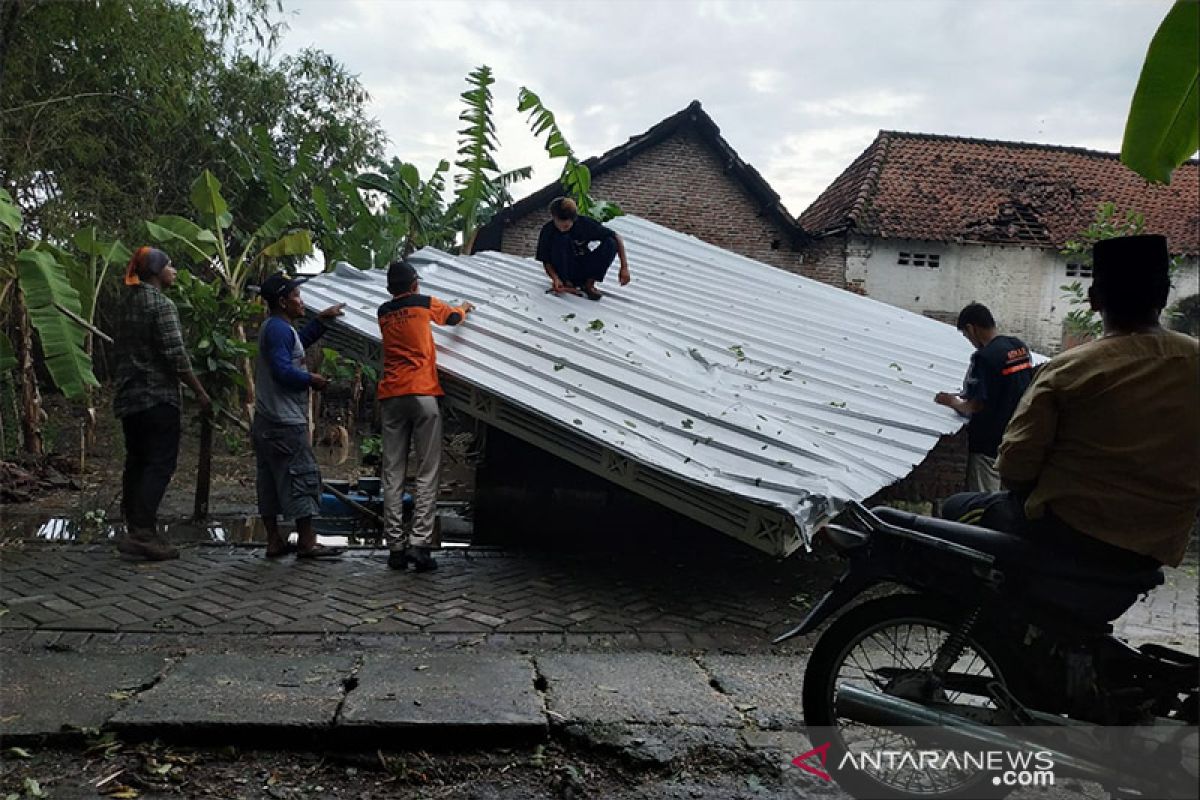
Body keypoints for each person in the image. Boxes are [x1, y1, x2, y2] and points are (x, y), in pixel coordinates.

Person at [942, 234, 1199, 569]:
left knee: (955, 509)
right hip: (1157, 542)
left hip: (1070, 533)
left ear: (1093, 300)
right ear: (1165, 296)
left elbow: (1016, 467)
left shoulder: (1071, 369)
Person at [112, 247, 211, 560]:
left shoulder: (126, 303)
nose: (174, 271)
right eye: (170, 265)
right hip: (157, 396)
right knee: (160, 462)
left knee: (137, 460)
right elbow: (175, 357)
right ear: (156, 271)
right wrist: (200, 391)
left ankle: (134, 526)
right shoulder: (161, 304)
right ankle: (143, 531)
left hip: (129, 396)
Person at [376, 259, 475, 572]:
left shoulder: (383, 312)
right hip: (423, 393)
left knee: (392, 472)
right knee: (427, 471)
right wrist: (466, 306)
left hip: (392, 395)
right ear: (415, 284)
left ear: (391, 288)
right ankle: (420, 545)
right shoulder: (423, 303)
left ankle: (394, 548)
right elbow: (454, 317)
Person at [253, 272, 346, 560]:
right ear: (283, 301)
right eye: (296, 296)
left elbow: (295, 348)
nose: (301, 301)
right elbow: (283, 371)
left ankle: (274, 541)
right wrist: (312, 380)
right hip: (285, 422)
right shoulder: (279, 330)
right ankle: (307, 541)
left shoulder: (276, 328)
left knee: (269, 481)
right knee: (302, 476)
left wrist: (321, 322)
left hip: (266, 421)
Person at [934, 303, 1033, 492]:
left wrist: (952, 401)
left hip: (989, 446)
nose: (969, 340)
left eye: (966, 335)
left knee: (983, 505)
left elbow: (975, 405)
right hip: (1017, 439)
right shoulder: (1019, 347)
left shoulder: (984, 358)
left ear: (972, 328)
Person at [535, 196, 630, 301]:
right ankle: (568, 284)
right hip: (564, 268)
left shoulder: (584, 224)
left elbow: (616, 237)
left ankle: (589, 284)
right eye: (559, 225)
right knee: (562, 238)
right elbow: (546, 260)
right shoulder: (548, 231)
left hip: (583, 265)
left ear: (573, 219)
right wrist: (555, 279)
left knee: (611, 242)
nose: (562, 229)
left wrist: (624, 267)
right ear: (554, 217)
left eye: (566, 227)